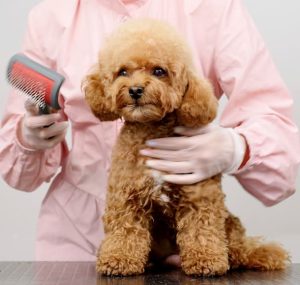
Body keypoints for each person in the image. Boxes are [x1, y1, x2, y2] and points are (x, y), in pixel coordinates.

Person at [0, 0, 299, 264]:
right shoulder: (50, 15)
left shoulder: (215, 7)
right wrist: (28, 138)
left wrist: (237, 148)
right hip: (73, 239)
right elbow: (19, 177)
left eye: (157, 72)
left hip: (180, 244)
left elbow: (278, 148)